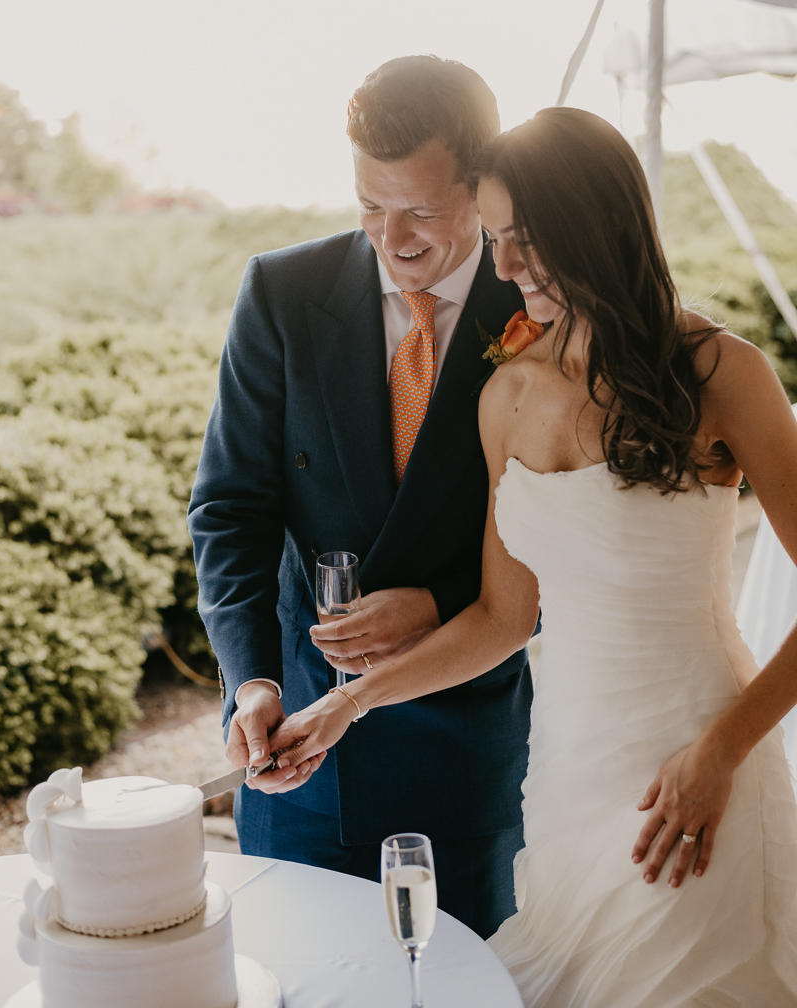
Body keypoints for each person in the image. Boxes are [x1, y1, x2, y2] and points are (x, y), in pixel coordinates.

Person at [269, 108, 797, 1006]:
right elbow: (503, 619)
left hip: (696, 769)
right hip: (565, 778)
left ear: (599, 222)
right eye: (499, 238)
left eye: (526, 239)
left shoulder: (723, 373)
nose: (506, 267)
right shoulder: (506, 392)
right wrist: (346, 706)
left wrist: (719, 753)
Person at [188, 55, 531, 940]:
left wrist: (440, 605)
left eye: (421, 209)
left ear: (483, 184)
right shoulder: (282, 292)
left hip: (466, 758)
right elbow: (230, 506)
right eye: (370, 206)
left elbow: (585, 542)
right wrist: (251, 679)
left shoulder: (538, 308)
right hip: (298, 752)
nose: (393, 236)